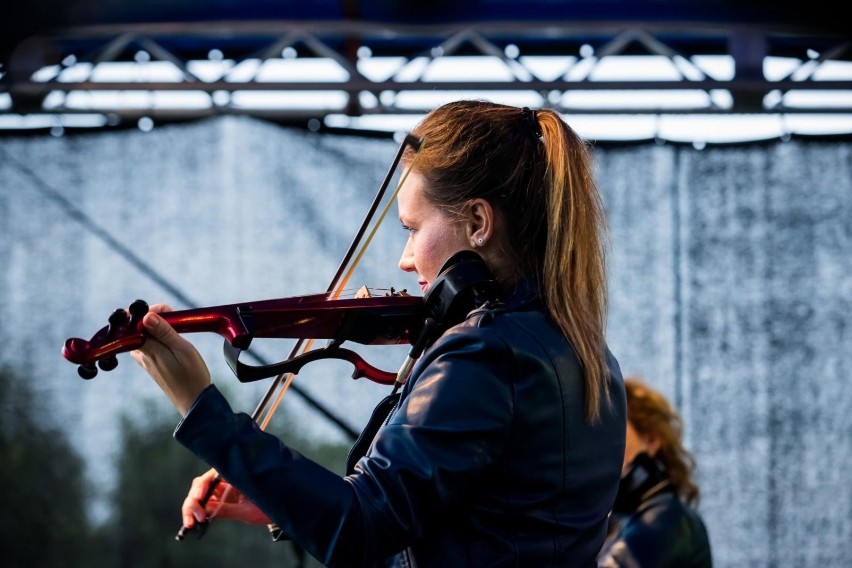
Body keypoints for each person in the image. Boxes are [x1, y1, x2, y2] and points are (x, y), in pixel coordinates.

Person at [130, 100, 627, 567]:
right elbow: (468, 523)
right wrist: (285, 502)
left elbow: (361, 526)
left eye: (412, 227)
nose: (405, 259)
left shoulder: (485, 353)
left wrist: (203, 411)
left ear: (477, 222)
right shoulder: (588, 356)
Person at [597, 376, 712, 568]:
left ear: (650, 441)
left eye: (614, 428)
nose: (602, 443)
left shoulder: (667, 520)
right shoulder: (625, 519)